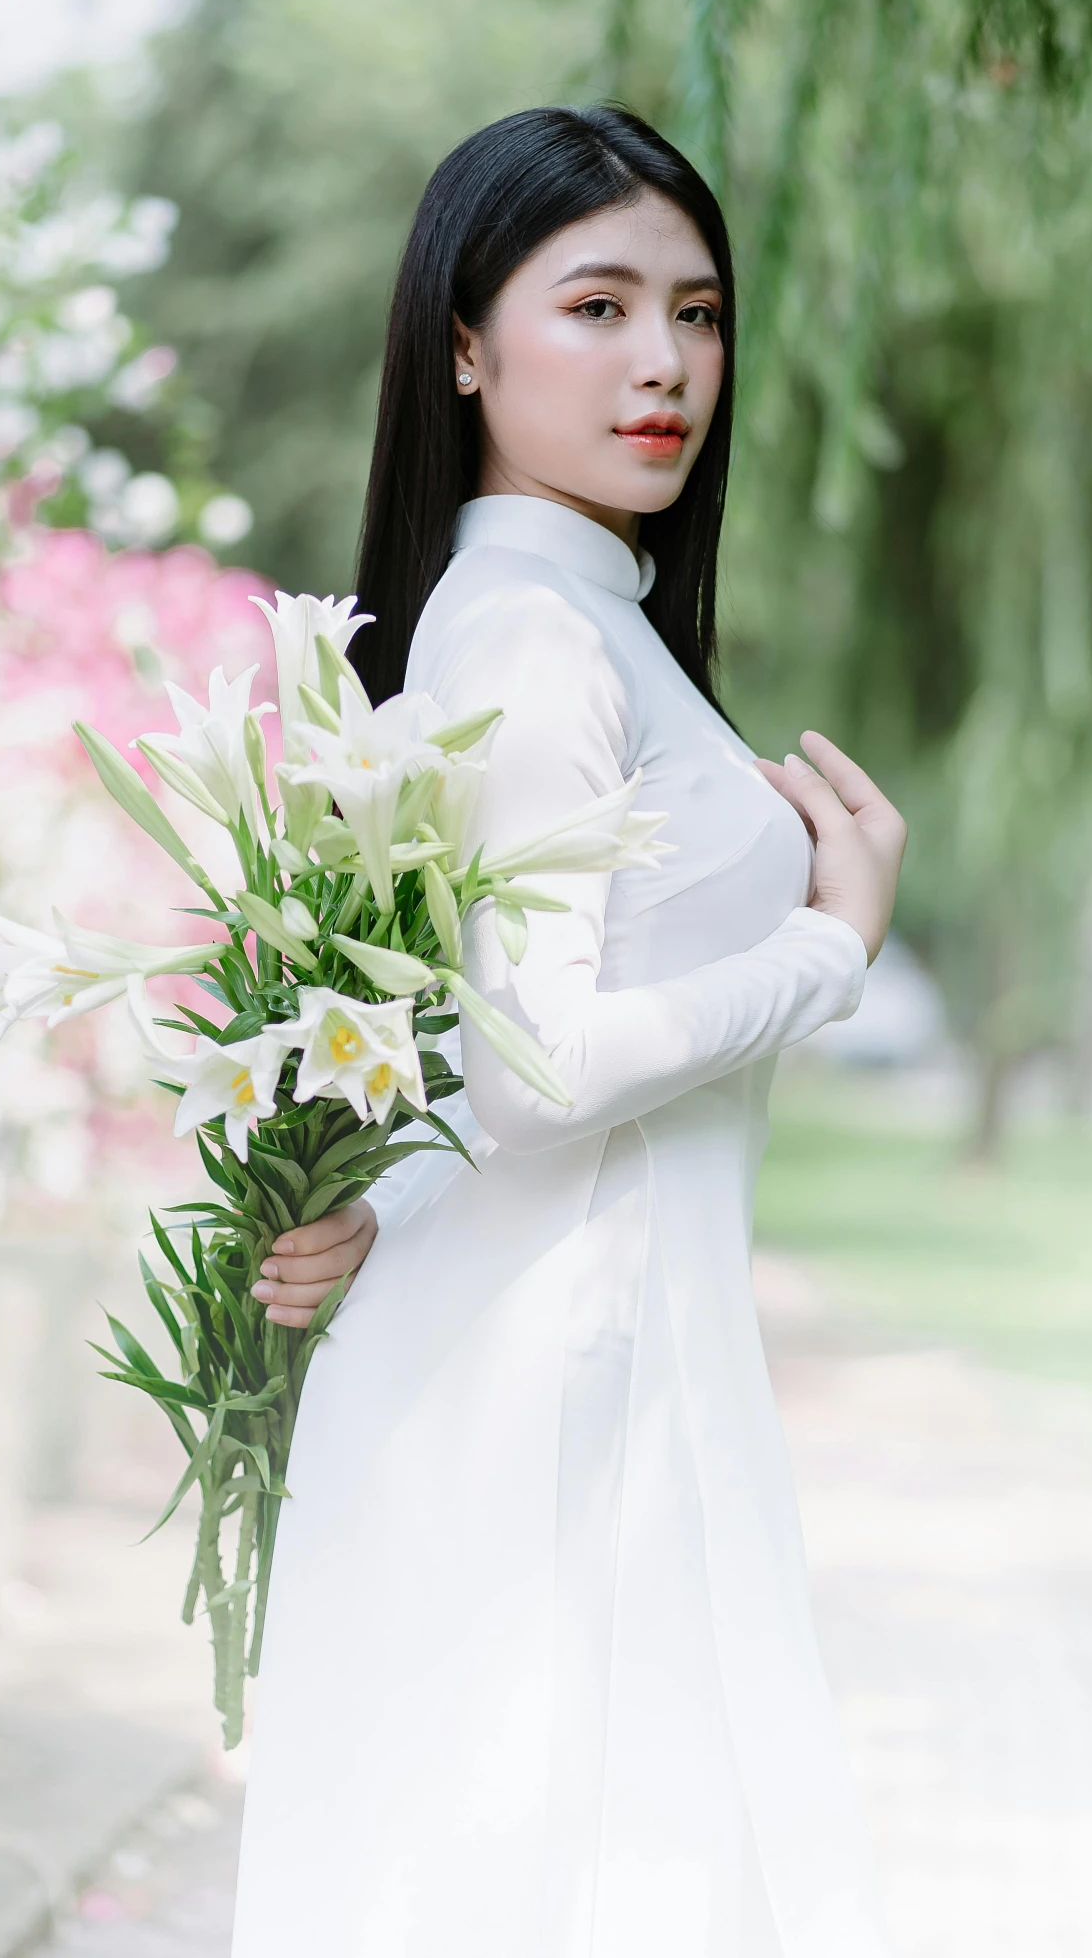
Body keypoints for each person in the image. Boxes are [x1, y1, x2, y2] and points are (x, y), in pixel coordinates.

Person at [231, 106, 907, 1958]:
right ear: (464, 342)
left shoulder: (573, 622)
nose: (664, 363)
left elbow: (478, 1059)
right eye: (596, 305)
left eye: (694, 313)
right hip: (552, 1394)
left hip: (571, 1349)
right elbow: (546, 1069)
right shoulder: (532, 634)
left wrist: (390, 1200)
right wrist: (826, 948)